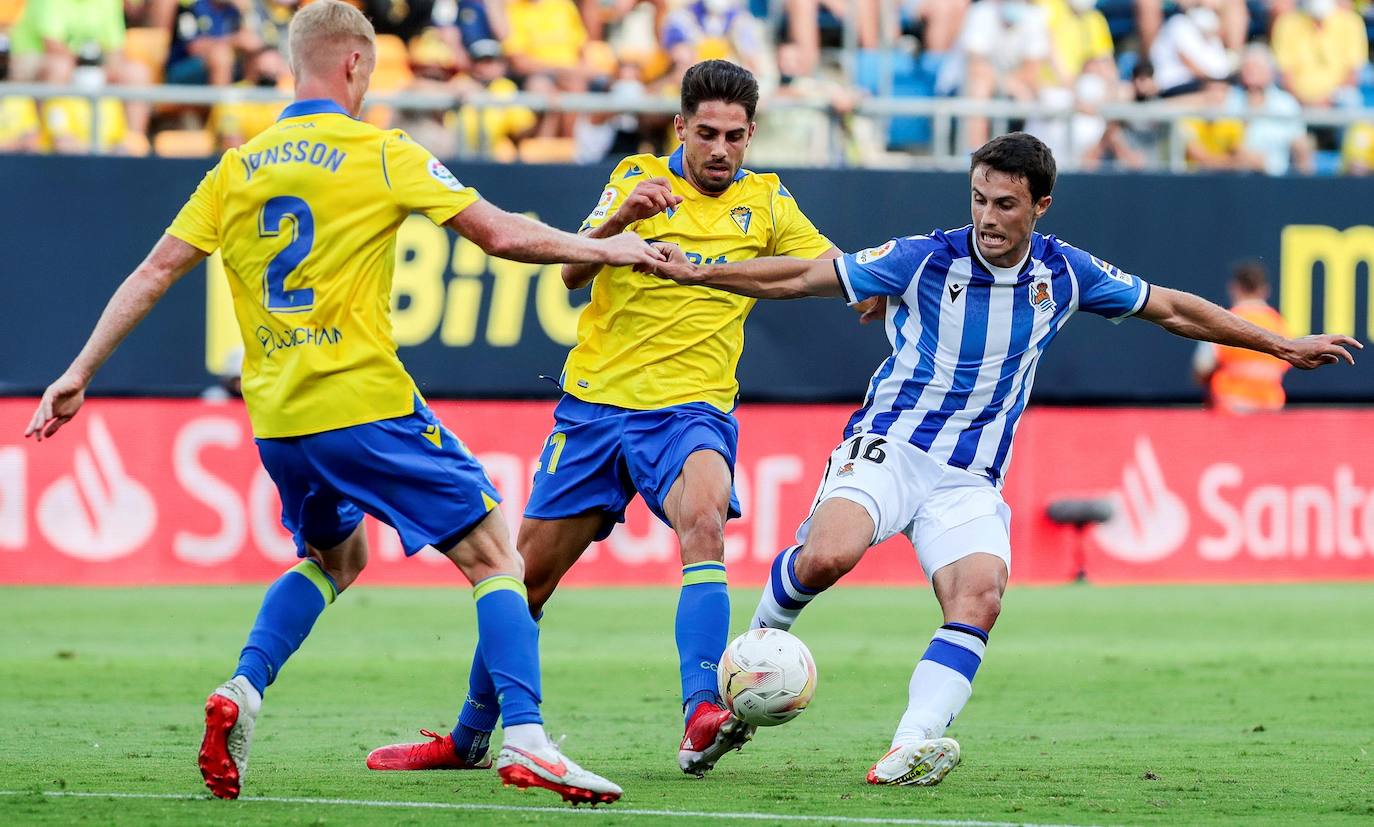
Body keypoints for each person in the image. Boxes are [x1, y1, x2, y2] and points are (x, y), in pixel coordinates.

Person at [24, 0, 661, 806]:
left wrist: (78, 372)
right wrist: (607, 247)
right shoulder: (380, 151)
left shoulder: (237, 167)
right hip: (362, 402)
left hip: (281, 420)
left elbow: (153, 271)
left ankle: (243, 689)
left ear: (298, 63)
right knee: (496, 555)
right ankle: (528, 738)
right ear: (356, 65)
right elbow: (500, 234)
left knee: (337, 557)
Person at [645, 131, 1358, 786]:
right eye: (980, 199)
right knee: (828, 557)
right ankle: (755, 649)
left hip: (970, 476)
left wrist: (1280, 345)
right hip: (889, 446)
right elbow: (801, 277)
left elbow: (1170, 308)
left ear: (1040, 205)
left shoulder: (1066, 273)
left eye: (1006, 204)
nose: (987, 217)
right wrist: (700, 274)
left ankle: (912, 741)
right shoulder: (925, 256)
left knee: (979, 596)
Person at [365, 59, 847, 778]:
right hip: (594, 410)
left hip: (690, 411)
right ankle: (468, 739)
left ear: (751, 137)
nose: (721, 149)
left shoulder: (769, 205)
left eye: (736, 137)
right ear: (680, 127)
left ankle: (699, 713)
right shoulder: (636, 177)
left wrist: (864, 288)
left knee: (706, 518)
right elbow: (570, 272)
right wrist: (621, 220)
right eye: (707, 133)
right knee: (523, 580)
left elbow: (834, 268)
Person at [1193, 261, 1292, 412]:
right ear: (1265, 289)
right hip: (1270, 408)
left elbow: (1202, 367)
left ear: (1234, 288)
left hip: (1229, 407)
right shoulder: (1279, 324)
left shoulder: (1225, 321)